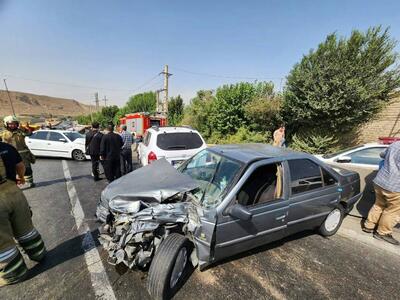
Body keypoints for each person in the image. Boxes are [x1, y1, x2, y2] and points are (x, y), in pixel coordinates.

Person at [0, 142, 46, 287]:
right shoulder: (5, 147)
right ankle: (38, 253)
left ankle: (15, 274)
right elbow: (20, 166)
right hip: (13, 191)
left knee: (3, 243)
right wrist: (19, 177)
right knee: (26, 229)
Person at [362, 141, 400, 245]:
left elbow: (382, 154)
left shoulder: (395, 144)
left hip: (380, 181)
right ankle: (383, 233)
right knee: (393, 211)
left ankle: (368, 226)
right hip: (395, 186)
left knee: (378, 204)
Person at [1, 115, 36, 188]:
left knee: (27, 169)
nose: (12, 125)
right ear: (6, 124)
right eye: (10, 124)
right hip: (10, 156)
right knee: (11, 170)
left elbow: (29, 133)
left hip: (23, 155)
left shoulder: (21, 131)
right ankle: (14, 185)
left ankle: (30, 182)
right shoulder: (3, 134)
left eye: (14, 123)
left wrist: (24, 129)